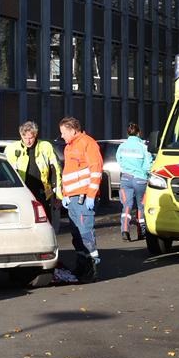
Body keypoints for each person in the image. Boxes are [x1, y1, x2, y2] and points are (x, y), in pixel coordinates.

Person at [58, 116, 103, 280]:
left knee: (85, 234)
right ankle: (82, 266)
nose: (62, 136)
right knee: (77, 235)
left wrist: (91, 195)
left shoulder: (87, 143)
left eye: (63, 132)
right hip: (73, 198)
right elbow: (68, 173)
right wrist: (65, 194)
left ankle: (92, 267)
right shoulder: (69, 147)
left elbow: (96, 169)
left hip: (84, 198)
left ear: (72, 130)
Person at [5, 120, 61, 219]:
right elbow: (6, 172)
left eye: (31, 138)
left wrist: (58, 195)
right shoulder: (12, 148)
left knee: (45, 220)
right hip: (22, 192)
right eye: (24, 138)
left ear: (35, 135)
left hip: (43, 192)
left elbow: (55, 170)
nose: (28, 141)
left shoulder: (45, 146)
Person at [115, 123, 152, 241]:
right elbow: (148, 165)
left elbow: (119, 160)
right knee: (141, 206)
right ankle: (142, 231)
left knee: (127, 206)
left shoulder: (122, 146)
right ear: (139, 133)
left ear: (128, 133)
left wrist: (127, 169)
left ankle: (125, 231)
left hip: (126, 178)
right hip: (141, 179)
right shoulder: (143, 146)